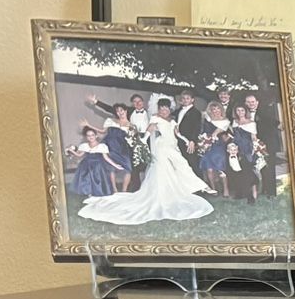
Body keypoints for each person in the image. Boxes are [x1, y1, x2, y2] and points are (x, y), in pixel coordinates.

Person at [75, 95, 213, 226]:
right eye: (161, 108)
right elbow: (121, 114)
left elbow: (177, 132)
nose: (164, 110)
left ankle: (189, 188)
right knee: (150, 168)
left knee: (177, 166)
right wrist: (140, 141)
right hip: (148, 144)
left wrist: (189, 140)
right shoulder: (143, 116)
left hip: (167, 145)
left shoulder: (165, 118)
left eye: (166, 108)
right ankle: (152, 193)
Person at [65, 125, 117, 198]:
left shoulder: (102, 146)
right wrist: (71, 151)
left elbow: (106, 158)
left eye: (92, 135)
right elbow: (79, 155)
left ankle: (98, 191)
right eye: (88, 136)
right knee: (87, 178)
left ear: (96, 136)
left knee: (98, 178)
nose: (91, 137)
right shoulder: (84, 145)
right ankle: (89, 192)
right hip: (87, 164)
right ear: (86, 137)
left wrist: (115, 165)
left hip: (98, 164)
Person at [97, 102, 136, 193]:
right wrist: (90, 127)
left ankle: (124, 190)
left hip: (122, 148)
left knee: (128, 168)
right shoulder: (111, 121)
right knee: (111, 167)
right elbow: (102, 132)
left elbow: (132, 140)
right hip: (110, 146)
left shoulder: (132, 126)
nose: (119, 113)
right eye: (117, 111)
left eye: (121, 110)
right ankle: (114, 189)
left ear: (126, 111)